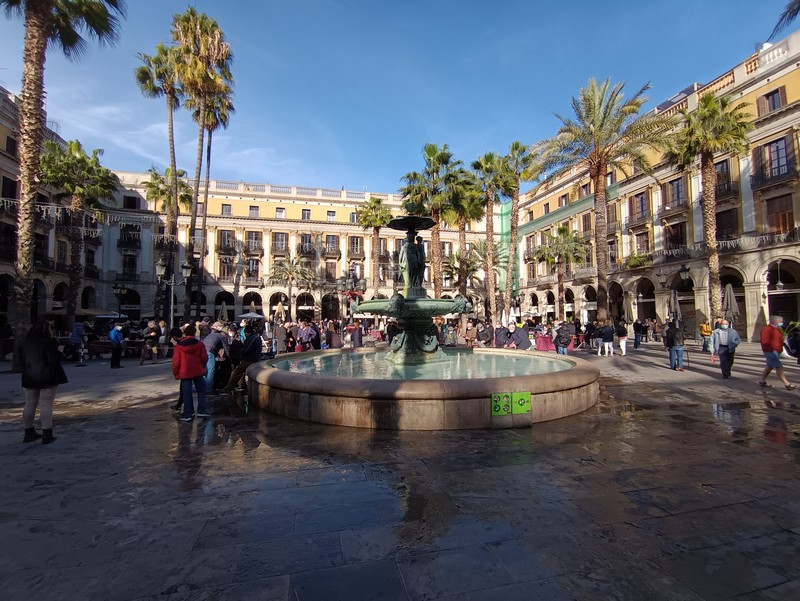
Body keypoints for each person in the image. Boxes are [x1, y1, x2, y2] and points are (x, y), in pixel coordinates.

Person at [20, 320, 68, 444]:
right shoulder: (50, 342)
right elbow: (53, 359)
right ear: (46, 329)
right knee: (46, 405)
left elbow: (21, 360)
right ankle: (47, 434)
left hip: (29, 375)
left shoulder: (25, 342)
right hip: (47, 376)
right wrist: (60, 352)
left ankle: (28, 431)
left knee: (30, 404)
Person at [172, 324, 209, 422]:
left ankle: (188, 413)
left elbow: (176, 361)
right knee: (201, 391)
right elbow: (204, 357)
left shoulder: (179, 345)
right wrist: (202, 366)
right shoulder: (200, 344)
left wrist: (176, 373)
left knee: (187, 393)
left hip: (185, 372)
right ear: (194, 333)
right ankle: (201, 410)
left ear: (185, 333)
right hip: (198, 370)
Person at [220, 325, 262, 394]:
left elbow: (246, 349)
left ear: (248, 332)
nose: (245, 334)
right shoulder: (256, 337)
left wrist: (241, 353)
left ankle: (228, 388)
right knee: (241, 372)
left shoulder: (252, 338)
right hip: (254, 358)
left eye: (245, 333)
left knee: (236, 372)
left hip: (249, 359)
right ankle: (242, 386)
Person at [759, 315, 797, 389]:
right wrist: (771, 350)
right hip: (771, 351)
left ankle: (762, 381)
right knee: (778, 366)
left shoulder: (776, 329)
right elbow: (765, 341)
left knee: (769, 366)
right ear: (775, 321)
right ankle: (787, 384)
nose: (782, 322)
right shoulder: (767, 329)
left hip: (775, 351)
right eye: (780, 321)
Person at [203, 321, 230, 395]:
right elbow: (226, 348)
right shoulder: (220, 335)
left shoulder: (209, 335)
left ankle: (204, 387)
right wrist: (229, 357)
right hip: (210, 352)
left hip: (202, 351)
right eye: (221, 326)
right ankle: (209, 389)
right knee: (211, 370)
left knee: (205, 371)